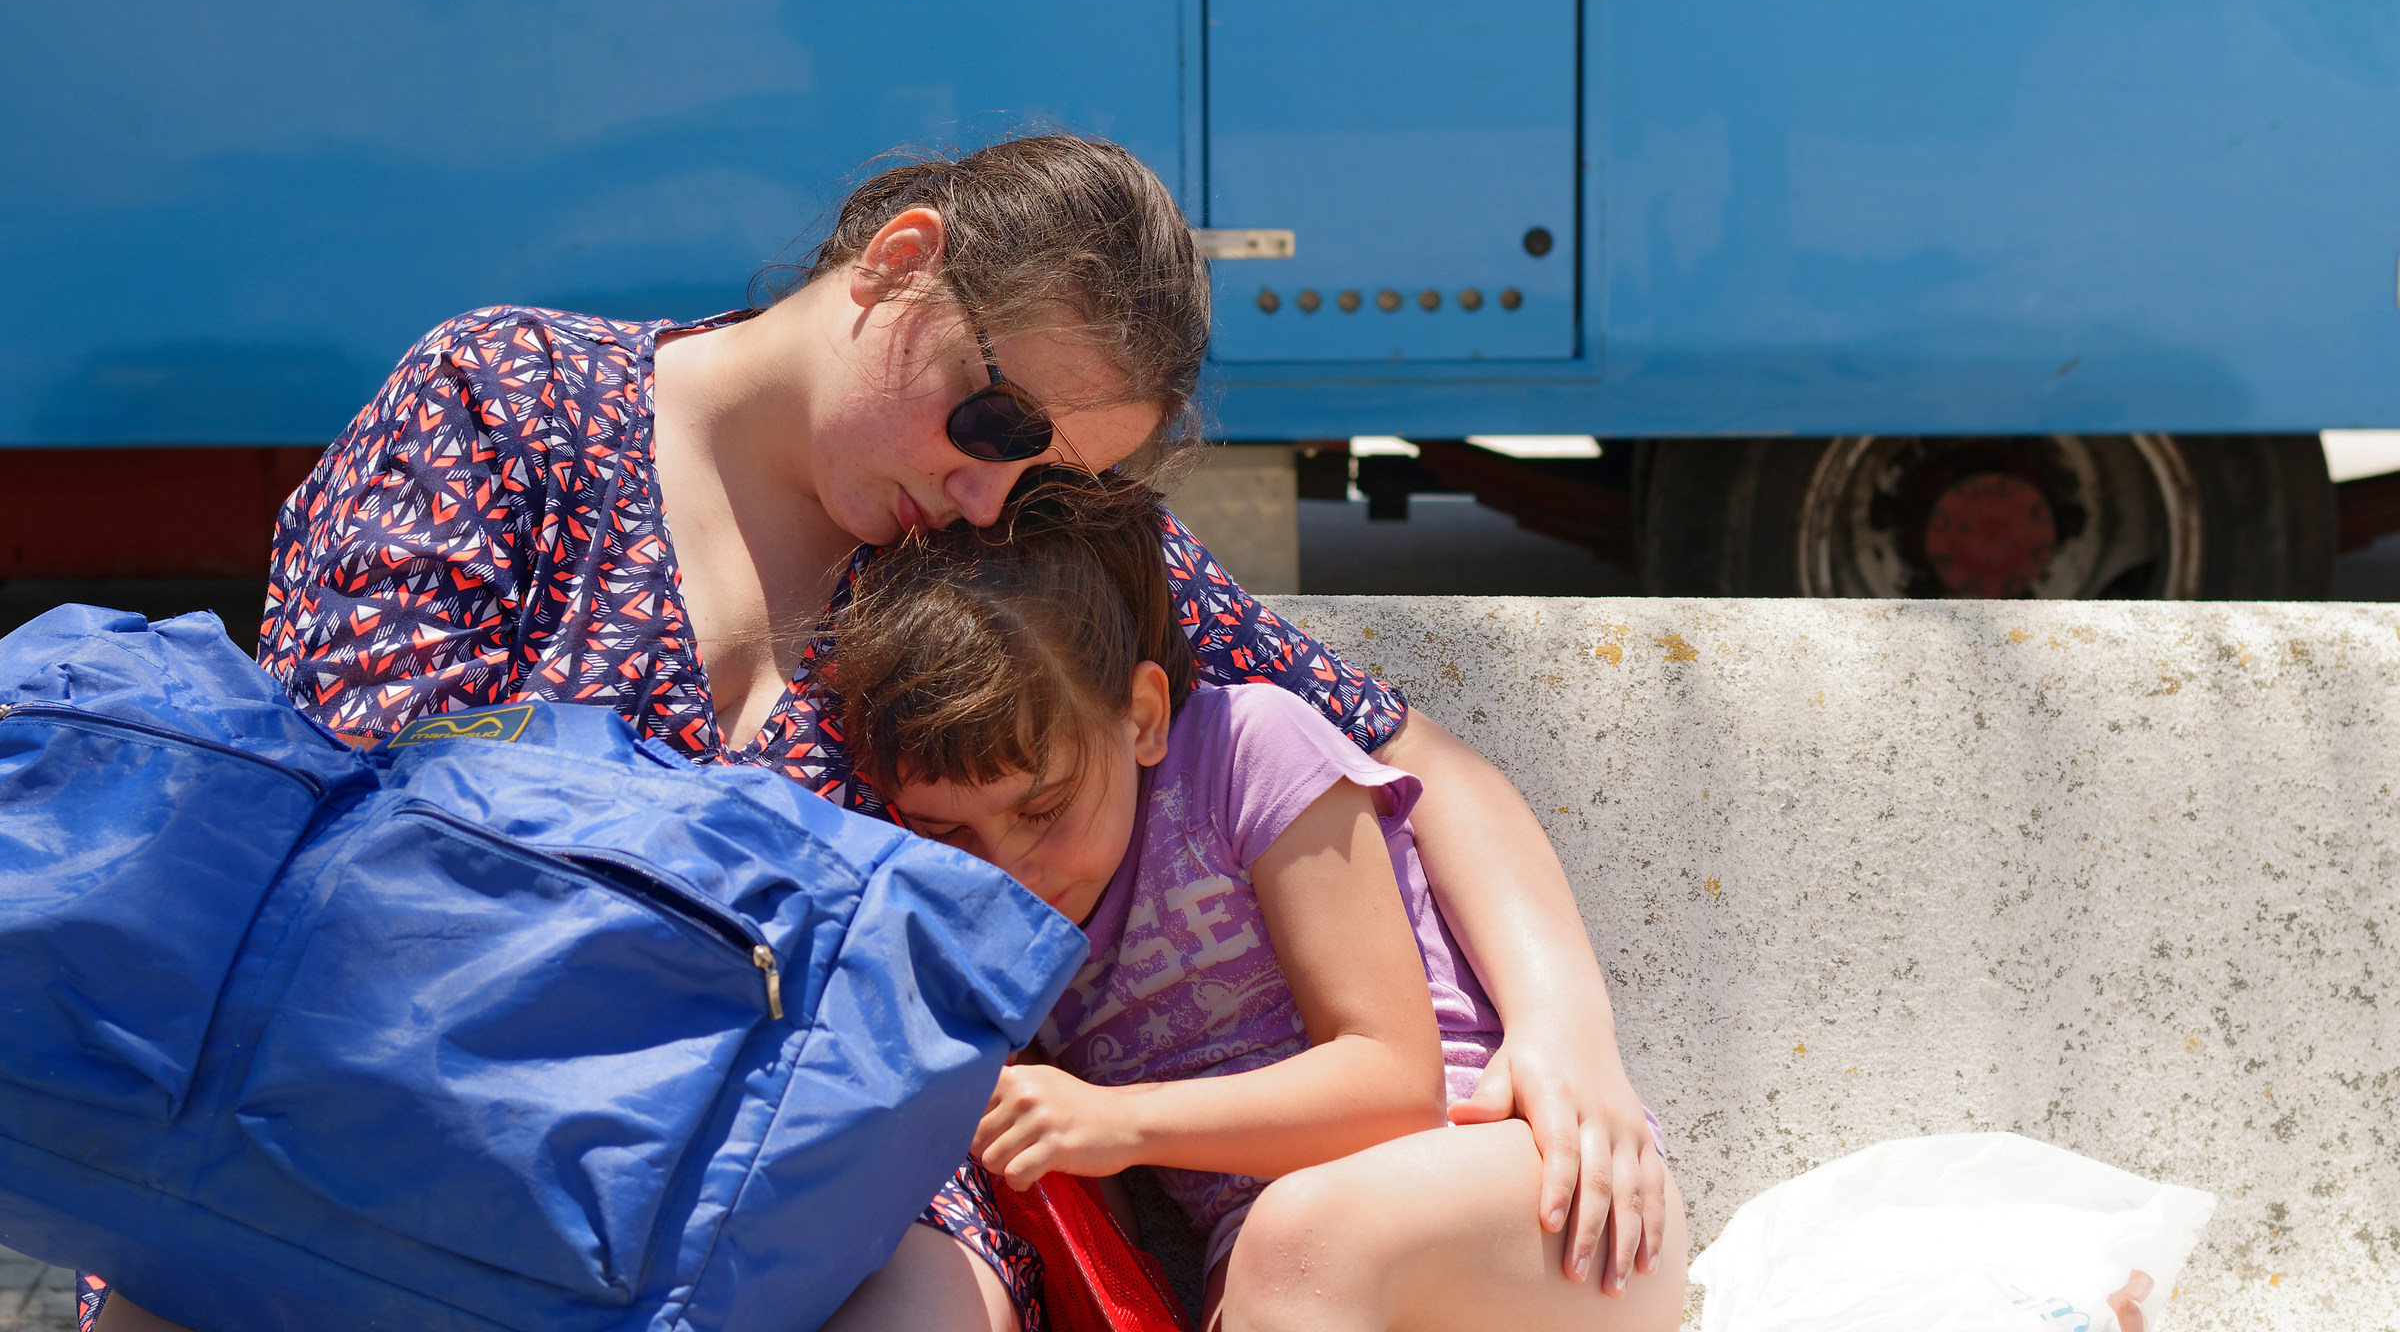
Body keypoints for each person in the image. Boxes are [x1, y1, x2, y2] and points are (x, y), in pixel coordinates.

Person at [84, 135, 1664, 1332]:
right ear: (902, 263)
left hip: (802, 1187)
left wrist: (1567, 1042)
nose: (992, 494)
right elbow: (345, 811)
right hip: (417, 1099)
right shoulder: (508, 404)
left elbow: (1417, 762)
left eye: (1042, 476)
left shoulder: (1017, 553)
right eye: (993, 426)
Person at [827, 472, 1687, 1332]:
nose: (1008, 870)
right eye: (951, 834)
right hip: (1284, 1263)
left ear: (1143, 716)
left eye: (1043, 809)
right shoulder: (981, 929)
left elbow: (1396, 1086)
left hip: (1539, 1193)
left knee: (1293, 1240)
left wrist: (1119, 1119)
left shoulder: (1249, 754)